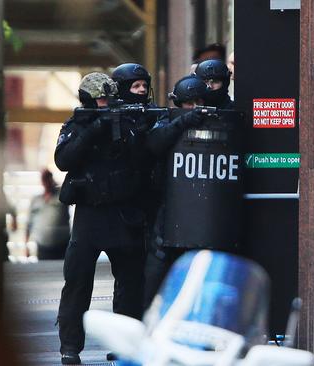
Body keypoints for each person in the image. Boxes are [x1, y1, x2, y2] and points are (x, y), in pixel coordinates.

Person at [55, 72, 149, 365]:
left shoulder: (128, 120)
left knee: (130, 284)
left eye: (109, 98)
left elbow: (144, 159)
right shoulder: (77, 124)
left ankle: (125, 345)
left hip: (123, 213)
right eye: (100, 99)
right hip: (90, 215)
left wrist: (127, 128)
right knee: (77, 282)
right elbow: (63, 159)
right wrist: (94, 129)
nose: (106, 104)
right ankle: (70, 347)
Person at [142, 75, 208, 308]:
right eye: (188, 103)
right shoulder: (166, 119)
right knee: (157, 269)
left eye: (198, 102)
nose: (194, 107)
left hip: (205, 210)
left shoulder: (217, 118)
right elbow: (154, 144)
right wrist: (184, 121)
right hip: (170, 208)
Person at [25, 169, 70, 260]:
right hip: (42, 247)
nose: (46, 181)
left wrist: (56, 185)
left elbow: (69, 190)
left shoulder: (61, 196)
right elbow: (28, 224)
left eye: (48, 178)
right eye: (44, 179)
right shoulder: (36, 200)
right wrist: (26, 245)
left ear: (51, 179)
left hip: (62, 245)